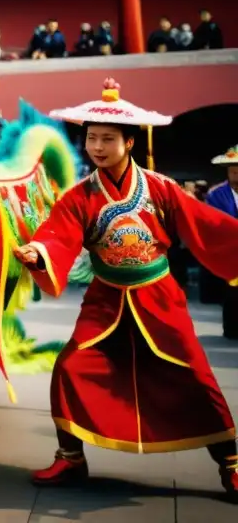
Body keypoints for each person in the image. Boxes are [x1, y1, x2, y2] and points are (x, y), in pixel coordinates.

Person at [13, 78, 238, 502]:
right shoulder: (80, 196)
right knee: (70, 368)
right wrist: (38, 253)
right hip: (106, 298)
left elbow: (205, 225)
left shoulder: (160, 188)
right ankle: (70, 458)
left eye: (107, 139)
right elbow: (58, 235)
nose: (96, 146)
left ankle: (232, 466)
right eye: (91, 138)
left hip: (158, 296)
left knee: (195, 375)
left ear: (129, 141)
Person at [207, 146, 238, 339]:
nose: (236, 173)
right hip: (230, 250)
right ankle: (232, 328)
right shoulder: (216, 194)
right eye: (233, 170)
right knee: (232, 292)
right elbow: (212, 221)